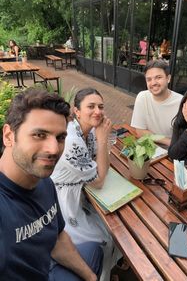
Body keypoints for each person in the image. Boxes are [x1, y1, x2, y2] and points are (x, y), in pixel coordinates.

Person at [0, 88, 103, 281]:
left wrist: (91, 278)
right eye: (39, 135)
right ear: (8, 136)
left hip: (46, 269)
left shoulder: (45, 183)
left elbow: (58, 238)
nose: (54, 149)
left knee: (95, 249)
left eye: (60, 137)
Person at [51, 88, 119, 281]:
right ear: (76, 111)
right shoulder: (72, 139)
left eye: (101, 106)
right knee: (105, 237)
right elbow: (98, 180)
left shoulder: (86, 132)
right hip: (64, 201)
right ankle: (103, 276)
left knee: (113, 229)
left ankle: (109, 269)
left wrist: (100, 140)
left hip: (82, 192)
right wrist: (103, 137)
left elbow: (100, 162)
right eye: (91, 106)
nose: (98, 111)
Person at [131, 59, 183, 146]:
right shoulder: (142, 97)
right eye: (149, 79)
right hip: (152, 145)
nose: (153, 83)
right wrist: (168, 141)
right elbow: (140, 131)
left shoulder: (182, 102)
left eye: (158, 77)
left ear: (168, 78)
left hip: (173, 150)